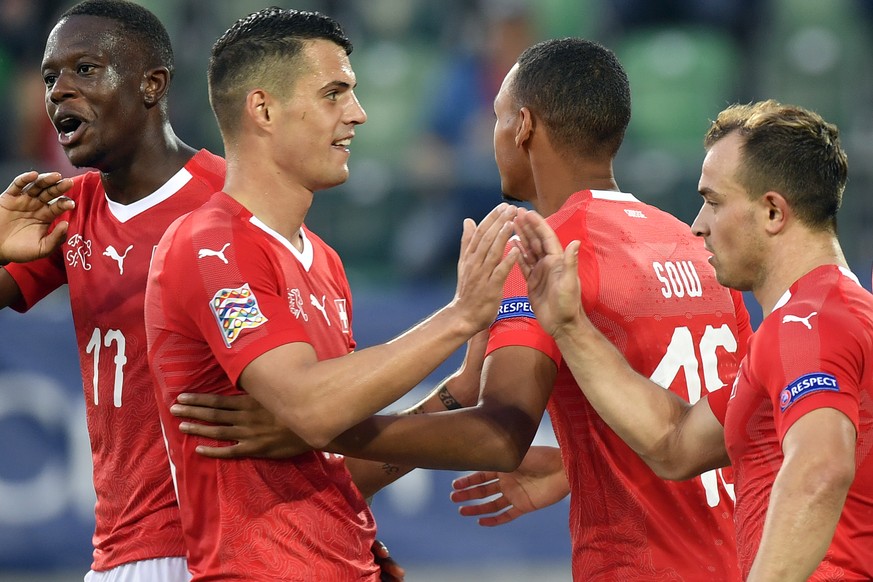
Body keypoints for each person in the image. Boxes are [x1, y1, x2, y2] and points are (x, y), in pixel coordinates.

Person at [173, 38, 750, 580]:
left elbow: (501, 437)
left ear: (523, 127)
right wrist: (578, 462)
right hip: (744, 554)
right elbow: (728, 419)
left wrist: (322, 431)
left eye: (498, 118)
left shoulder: (541, 250)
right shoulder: (696, 247)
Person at [0, 1, 406, 580]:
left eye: (85, 70)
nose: (59, 91)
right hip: (122, 549)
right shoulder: (68, 211)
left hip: (218, 545)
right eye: (49, 77)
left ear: (152, 85)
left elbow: (318, 404)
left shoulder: (231, 209)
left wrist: (345, 532)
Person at [143, 7, 517, 581]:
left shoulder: (323, 260)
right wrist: (461, 316)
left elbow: (328, 463)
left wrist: (451, 396)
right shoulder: (209, 244)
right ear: (263, 109)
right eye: (334, 93)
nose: (359, 114)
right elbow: (313, 411)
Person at [511, 99, 873, 580]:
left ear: (772, 212)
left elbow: (820, 470)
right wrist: (570, 327)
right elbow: (674, 443)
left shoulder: (806, 324)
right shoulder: (827, 315)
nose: (698, 224)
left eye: (715, 201)